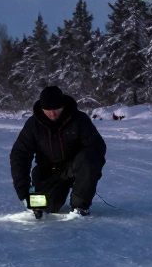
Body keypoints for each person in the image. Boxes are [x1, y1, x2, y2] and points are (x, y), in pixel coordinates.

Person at [9, 85, 106, 218]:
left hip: (75, 168)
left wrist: (91, 172)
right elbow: (19, 155)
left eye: (56, 109)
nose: (53, 114)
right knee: (43, 206)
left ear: (63, 106)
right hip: (48, 173)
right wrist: (23, 191)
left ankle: (80, 207)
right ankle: (38, 203)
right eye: (48, 110)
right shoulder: (33, 125)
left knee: (89, 157)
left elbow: (97, 147)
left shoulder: (80, 119)